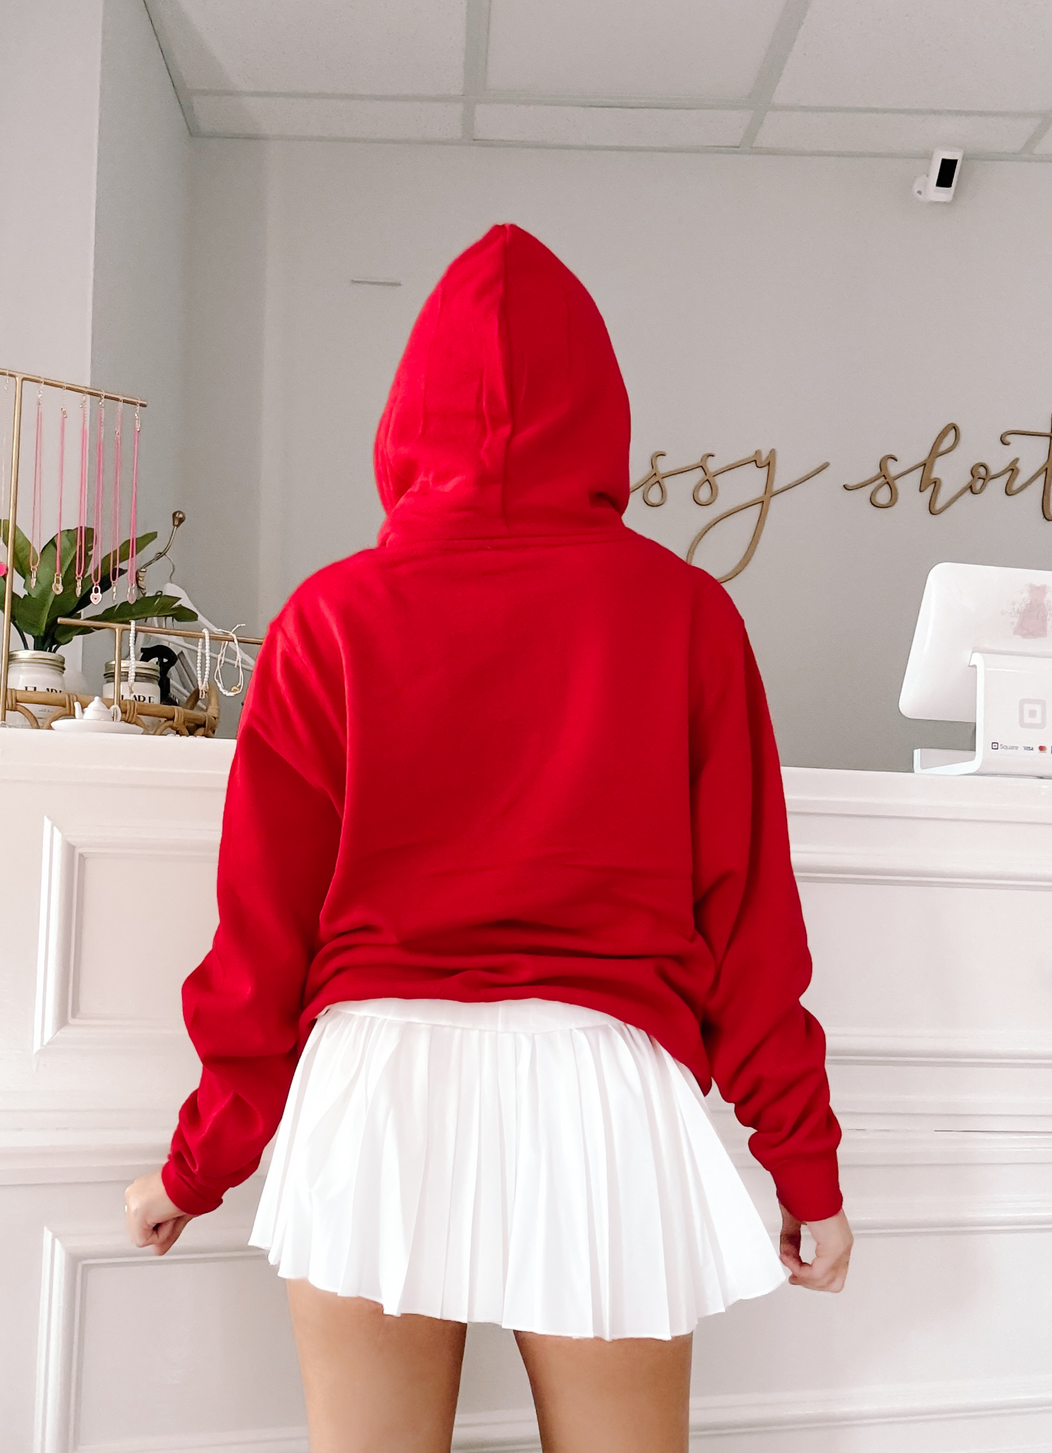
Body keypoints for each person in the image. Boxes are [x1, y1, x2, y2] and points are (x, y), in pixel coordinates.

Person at [125, 223, 852, 1453]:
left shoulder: (328, 618)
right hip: (602, 1085)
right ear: (602, 410)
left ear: (407, 416)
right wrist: (805, 1174)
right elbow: (749, 927)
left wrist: (197, 1167)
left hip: (375, 1082)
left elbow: (261, 934)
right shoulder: (684, 617)